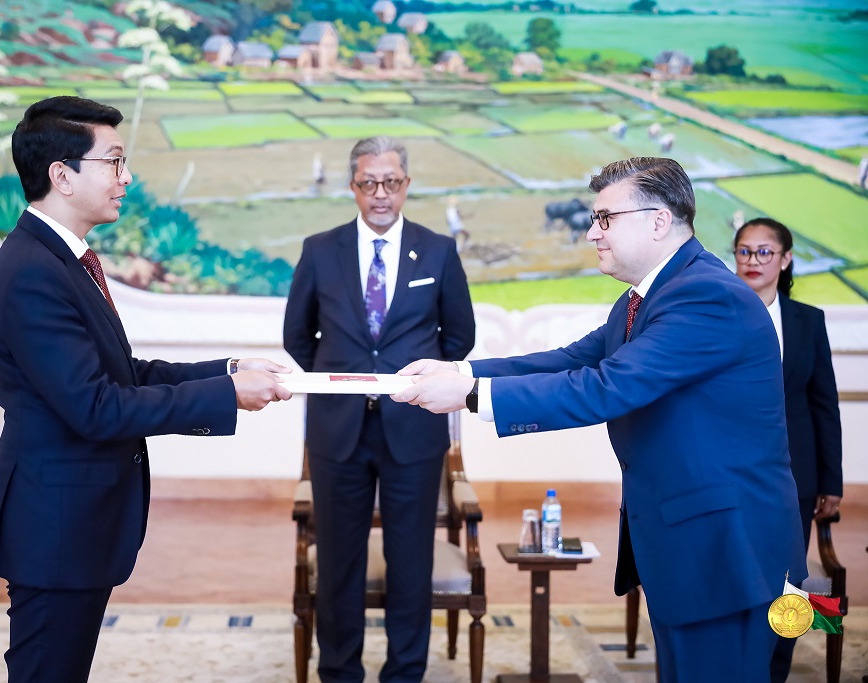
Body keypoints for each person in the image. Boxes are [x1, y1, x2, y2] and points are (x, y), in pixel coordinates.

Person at [393, 157, 807, 683]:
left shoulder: (706, 297)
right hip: (688, 546)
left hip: (726, 551)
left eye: (605, 218)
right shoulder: (644, 298)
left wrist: (470, 394)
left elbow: (609, 387)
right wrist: (460, 370)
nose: (591, 233)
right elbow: (571, 361)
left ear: (659, 221)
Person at [0, 96, 292, 683]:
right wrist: (229, 397)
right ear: (62, 175)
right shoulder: (32, 274)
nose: (127, 178)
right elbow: (96, 408)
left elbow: (121, 373)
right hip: (56, 524)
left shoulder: (61, 261)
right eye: (115, 162)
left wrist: (225, 371)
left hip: (72, 517)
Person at [283, 135, 475, 683]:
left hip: (412, 430)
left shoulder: (438, 250)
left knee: (410, 561)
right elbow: (298, 337)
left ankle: (404, 672)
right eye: (369, 183)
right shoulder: (320, 250)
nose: (381, 194)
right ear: (353, 187)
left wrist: (418, 381)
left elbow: (458, 336)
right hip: (337, 433)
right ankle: (340, 671)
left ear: (406, 185)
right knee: (339, 561)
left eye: (391, 182)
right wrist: (338, 381)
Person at [733, 217, 843, 683]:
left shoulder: (808, 321)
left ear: (786, 259)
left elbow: (824, 403)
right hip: (730, 474)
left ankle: (776, 671)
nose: (753, 261)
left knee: (790, 583)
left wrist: (831, 482)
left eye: (764, 252)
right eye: (744, 251)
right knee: (736, 577)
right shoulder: (719, 317)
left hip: (794, 477)